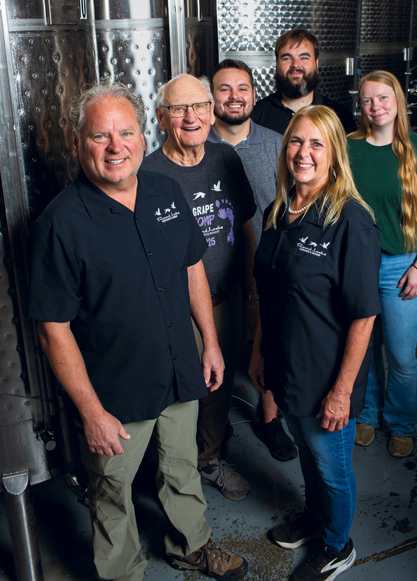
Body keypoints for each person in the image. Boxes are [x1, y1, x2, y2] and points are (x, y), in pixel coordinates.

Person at [27, 82, 248, 581]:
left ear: (143, 138)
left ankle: (190, 544)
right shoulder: (60, 225)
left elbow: (193, 266)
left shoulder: (164, 191)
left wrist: (208, 342)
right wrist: (91, 412)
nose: (115, 146)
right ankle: (123, 572)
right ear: (78, 143)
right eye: (100, 136)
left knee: (181, 467)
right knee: (112, 490)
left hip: (178, 367)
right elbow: (52, 330)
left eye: (125, 132)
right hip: (115, 393)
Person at [249, 105, 381, 581]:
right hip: (287, 364)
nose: (303, 153)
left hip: (327, 373)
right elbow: (270, 292)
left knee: (331, 465)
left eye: (316, 143)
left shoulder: (350, 221)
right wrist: (260, 349)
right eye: (296, 142)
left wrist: (342, 390)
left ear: (334, 154)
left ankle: (336, 543)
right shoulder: (278, 211)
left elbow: (364, 315)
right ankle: (315, 519)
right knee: (307, 453)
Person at [143, 74, 256, 502]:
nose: (190, 117)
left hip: (227, 300)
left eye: (198, 107)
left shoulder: (226, 158)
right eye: (178, 109)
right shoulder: (148, 173)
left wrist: (252, 297)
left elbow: (243, 230)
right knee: (181, 397)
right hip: (176, 310)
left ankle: (208, 460)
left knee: (218, 388)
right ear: (160, 118)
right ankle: (176, 474)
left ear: (211, 112)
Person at [348, 70, 417, 458]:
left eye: (383, 98)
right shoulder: (348, 148)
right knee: (363, 347)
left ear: (397, 101)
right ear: (359, 106)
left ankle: (403, 422)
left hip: (403, 265)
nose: (376, 107)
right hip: (357, 266)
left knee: (400, 354)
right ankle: (366, 417)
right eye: (367, 100)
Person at [209, 58, 298, 462]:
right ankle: (216, 423)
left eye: (242, 88)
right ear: (212, 97)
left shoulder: (277, 143)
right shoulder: (198, 144)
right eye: (224, 89)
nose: (234, 97)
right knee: (220, 352)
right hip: (215, 275)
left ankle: (270, 420)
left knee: (272, 344)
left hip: (268, 266)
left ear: (253, 93)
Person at [251, 29, 356, 135]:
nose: (295, 64)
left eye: (304, 58)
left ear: (316, 63)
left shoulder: (341, 116)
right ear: (277, 63)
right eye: (287, 58)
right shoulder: (254, 117)